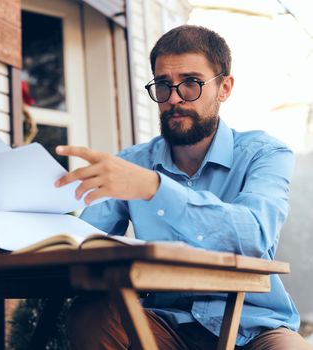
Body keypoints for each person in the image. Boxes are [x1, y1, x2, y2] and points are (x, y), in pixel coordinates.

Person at [53, 25, 312, 349]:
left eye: (191, 83)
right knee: (91, 315)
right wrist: (5, 225)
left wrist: (155, 188)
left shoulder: (266, 153)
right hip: (160, 326)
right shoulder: (131, 163)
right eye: (163, 84)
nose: (174, 98)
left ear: (224, 88)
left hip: (254, 329)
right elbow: (78, 240)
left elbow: (255, 235)